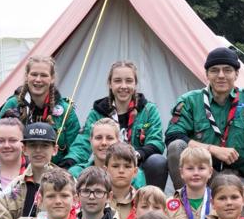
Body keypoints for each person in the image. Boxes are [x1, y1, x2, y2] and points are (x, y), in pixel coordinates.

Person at [166, 47, 244, 219]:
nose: (221, 75)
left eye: (227, 70)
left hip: (238, 180)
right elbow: (173, 136)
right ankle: (189, 204)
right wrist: (212, 149)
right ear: (207, 74)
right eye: (215, 70)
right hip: (202, 175)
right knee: (177, 147)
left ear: (236, 74)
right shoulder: (190, 101)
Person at [64, 61, 168, 189]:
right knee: (74, 171)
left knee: (157, 161)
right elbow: (83, 143)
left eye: (129, 81)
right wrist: (67, 164)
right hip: (104, 165)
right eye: (118, 81)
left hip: (135, 166)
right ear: (110, 84)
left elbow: (156, 142)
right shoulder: (98, 112)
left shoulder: (148, 110)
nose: (123, 86)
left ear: (135, 84)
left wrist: (137, 155)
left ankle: (152, 203)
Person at [0, 56, 79, 167]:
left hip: (56, 176)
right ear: (26, 76)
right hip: (17, 172)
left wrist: (65, 169)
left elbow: (76, 147)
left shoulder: (66, 111)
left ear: (52, 78)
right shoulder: (12, 105)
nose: (38, 80)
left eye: (44, 75)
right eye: (34, 74)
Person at [0, 122, 59, 219]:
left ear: (55, 150)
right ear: (24, 149)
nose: (38, 150)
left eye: (45, 145)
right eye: (33, 145)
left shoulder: (67, 185)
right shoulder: (13, 187)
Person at [166, 147, 214, 219]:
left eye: (201, 168)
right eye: (190, 168)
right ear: (181, 173)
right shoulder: (169, 205)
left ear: (210, 172)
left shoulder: (218, 203)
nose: (196, 173)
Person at [106, 142, 144, 219]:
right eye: (115, 166)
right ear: (106, 170)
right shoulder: (98, 201)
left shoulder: (143, 203)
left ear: (135, 172)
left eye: (127, 166)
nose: (121, 171)